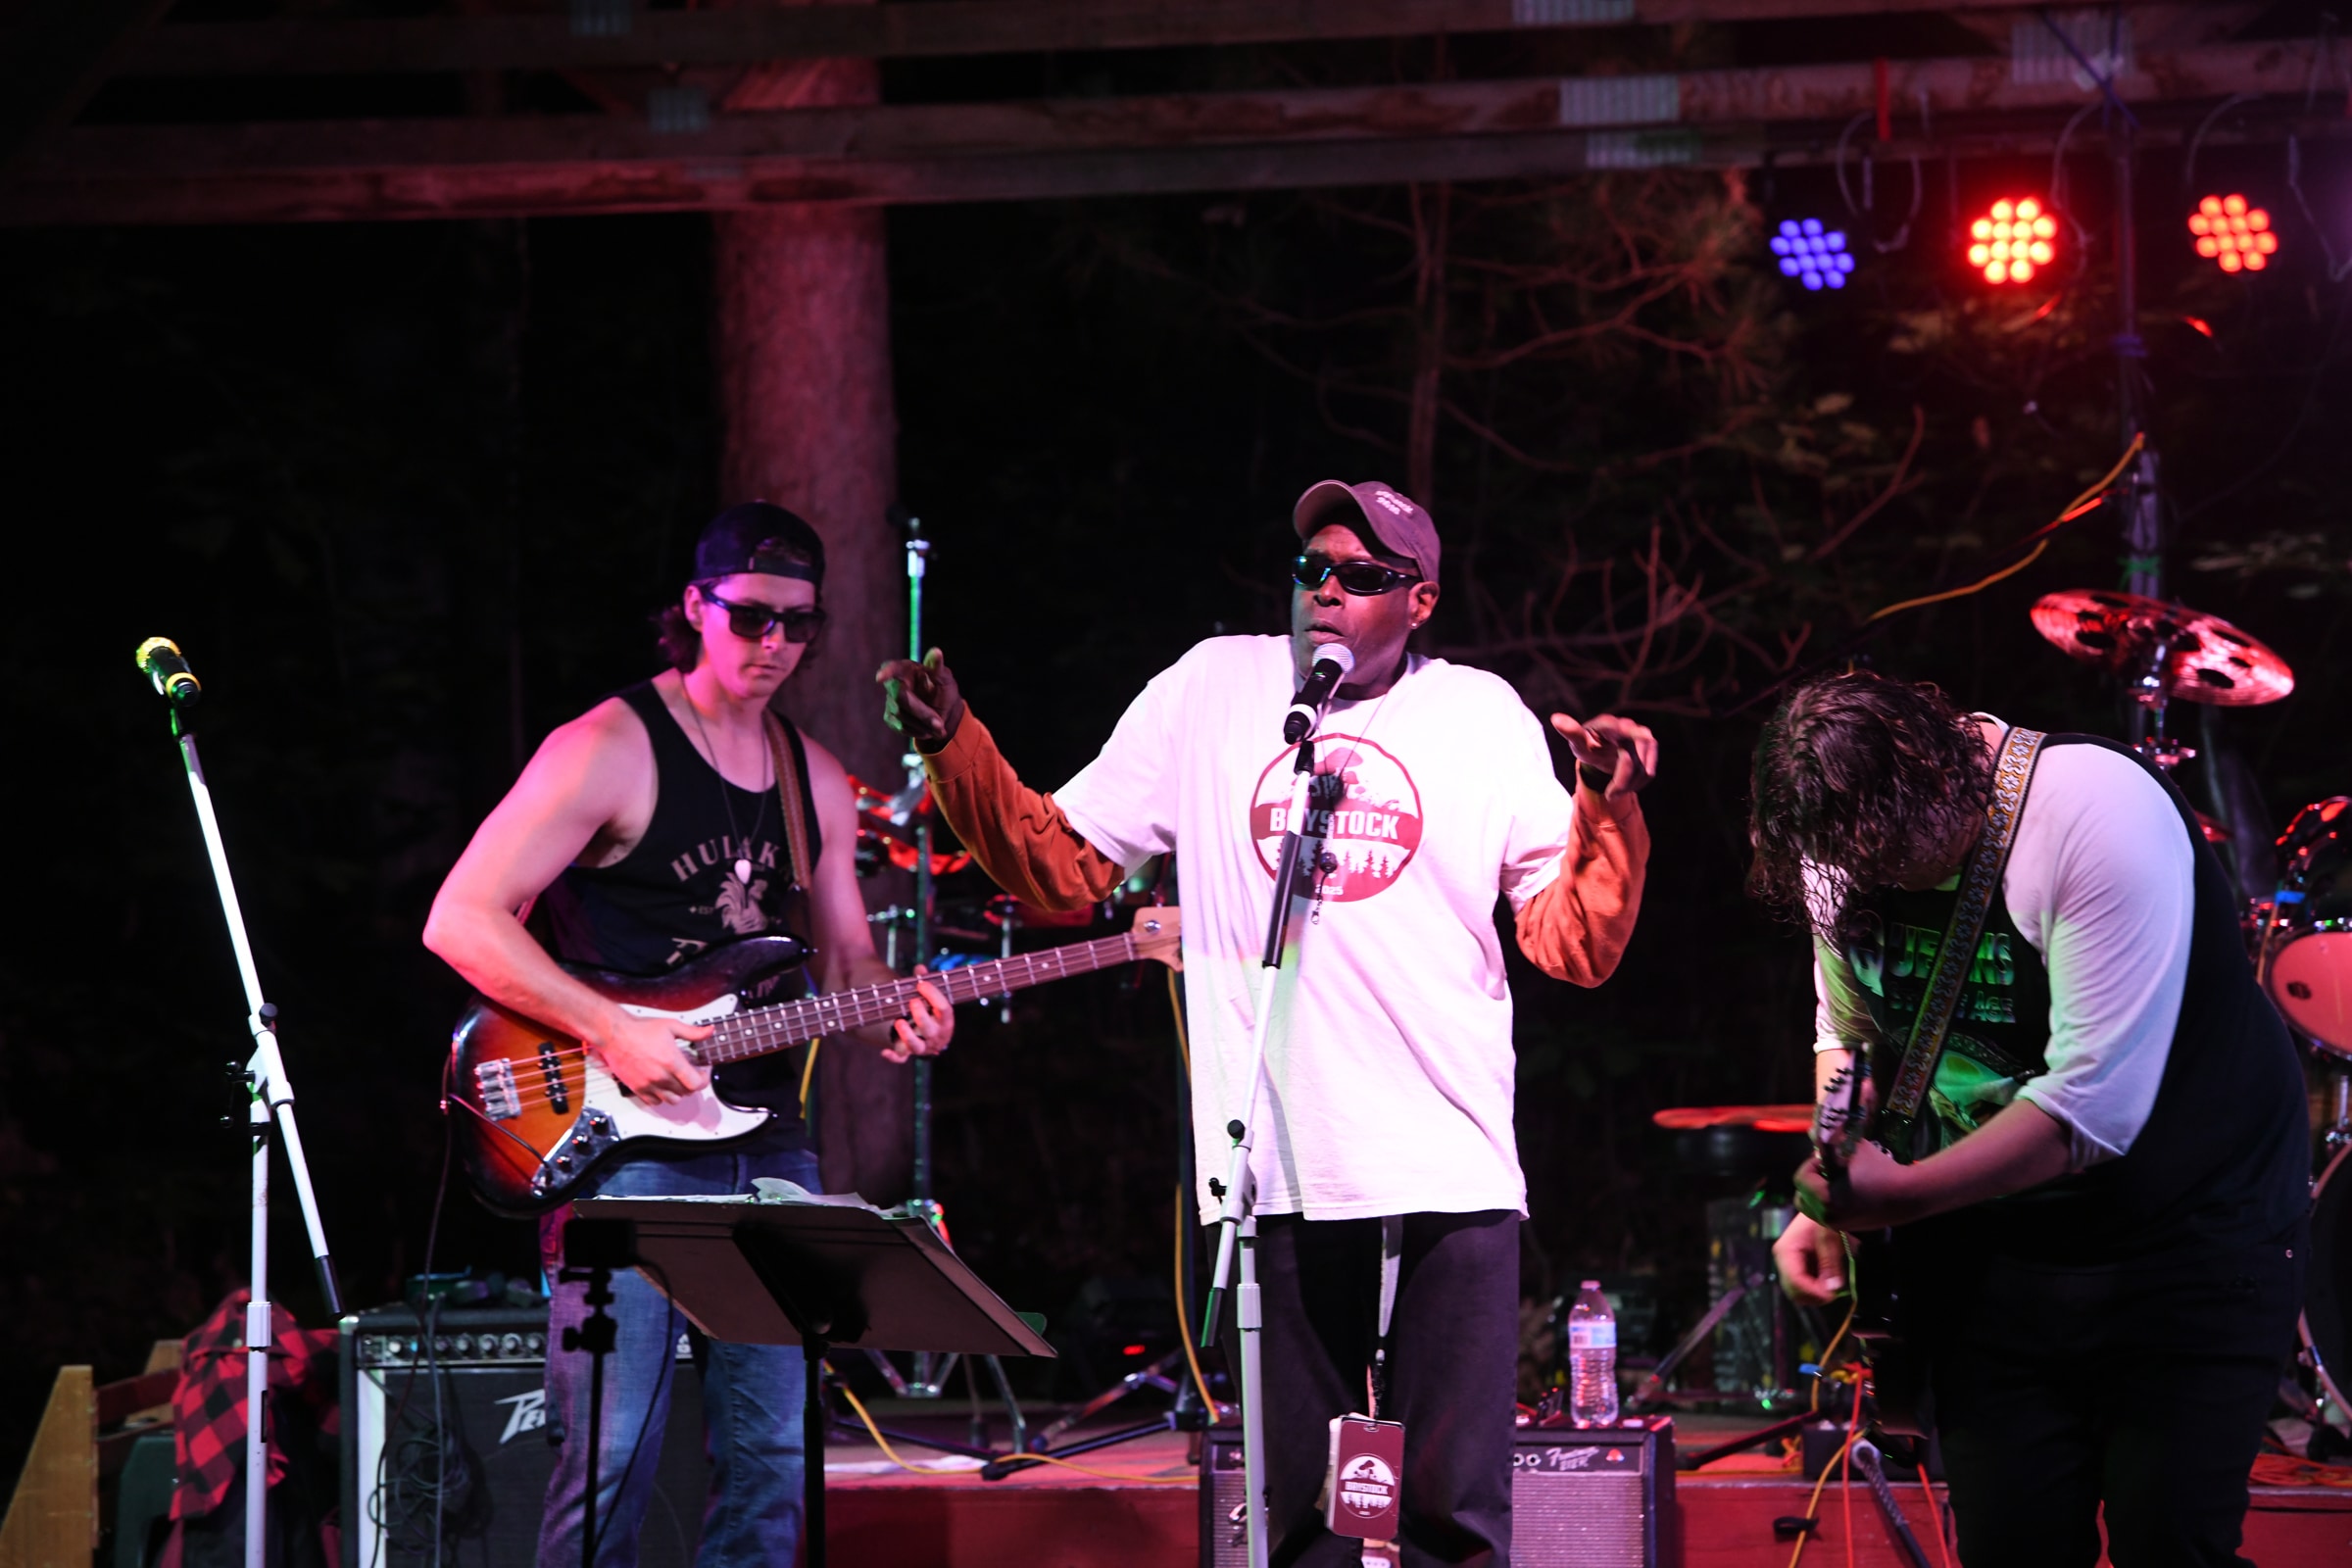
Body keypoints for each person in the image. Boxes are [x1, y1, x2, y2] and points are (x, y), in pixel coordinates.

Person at [879, 479, 1657, 1567]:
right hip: (1285, 1168)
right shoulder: (1213, 688)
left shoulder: (1479, 714)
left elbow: (1572, 942)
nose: (1327, 591)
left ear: (1421, 600)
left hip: (1450, 1168)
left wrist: (1607, 809)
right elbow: (1064, 863)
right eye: (1312, 569)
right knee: (1307, 1528)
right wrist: (955, 746)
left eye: (1362, 575)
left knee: (1452, 1520)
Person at [423, 502, 952, 1567]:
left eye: (800, 624)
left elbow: (846, 959)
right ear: (696, 608)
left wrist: (895, 1005)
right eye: (752, 616)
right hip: (620, 1146)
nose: (776, 643)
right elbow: (461, 919)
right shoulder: (608, 747)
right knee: (611, 1454)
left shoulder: (814, 776)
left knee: (773, 1458)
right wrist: (611, 1031)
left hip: (769, 1143)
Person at [1750, 670, 2308, 1568]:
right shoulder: (1841, 836)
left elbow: (2092, 1110)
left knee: (2172, 1544)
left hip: (2187, 1230)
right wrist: (1838, 1175)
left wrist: (1899, 1197)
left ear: (1943, 776)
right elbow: (1847, 1034)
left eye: (1894, 859)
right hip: (1994, 1248)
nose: (1876, 879)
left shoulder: (2094, 811)